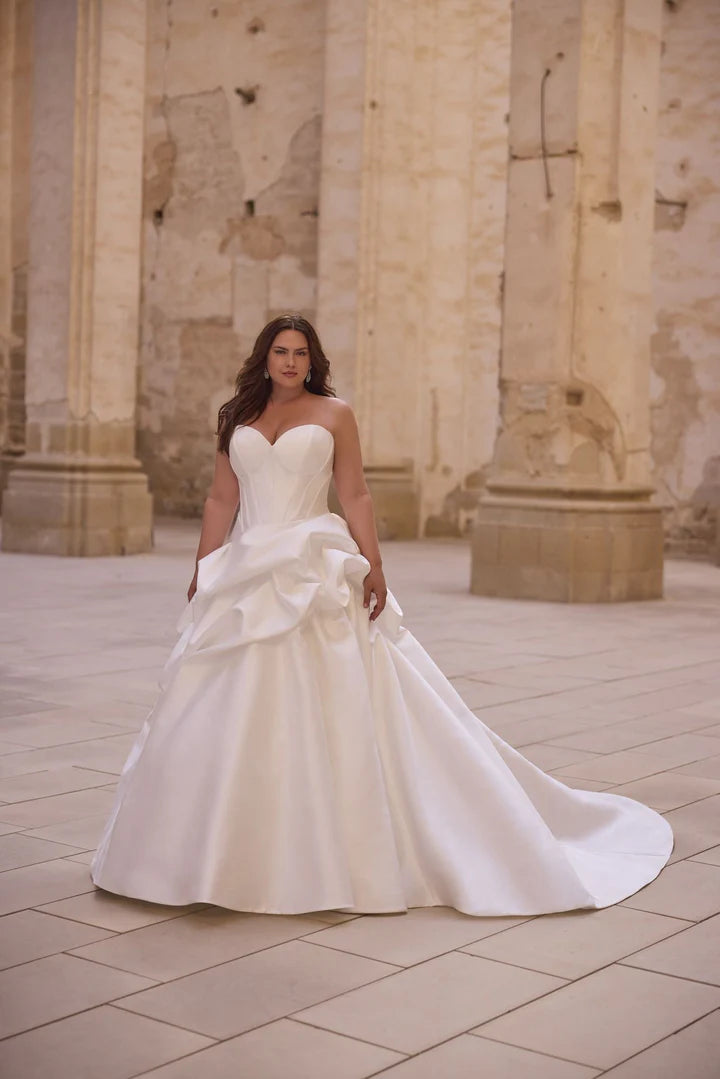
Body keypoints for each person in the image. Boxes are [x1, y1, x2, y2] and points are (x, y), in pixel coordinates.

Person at [90, 313, 673, 916]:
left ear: (312, 361)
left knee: (330, 702)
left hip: (311, 565)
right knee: (216, 705)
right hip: (246, 571)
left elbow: (356, 492)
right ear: (263, 359)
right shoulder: (235, 416)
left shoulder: (335, 413)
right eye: (280, 352)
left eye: (300, 353)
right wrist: (204, 569)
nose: (290, 362)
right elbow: (220, 498)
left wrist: (373, 562)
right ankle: (204, 853)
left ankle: (331, 851)